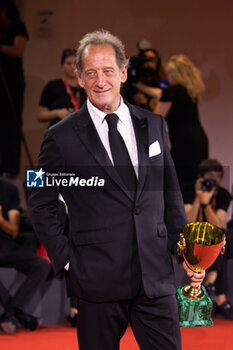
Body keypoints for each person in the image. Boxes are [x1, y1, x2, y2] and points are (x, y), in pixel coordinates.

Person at [28, 30, 205, 350]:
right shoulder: (60, 137)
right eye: (91, 73)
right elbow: (39, 199)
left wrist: (185, 251)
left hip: (156, 277)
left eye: (108, 71)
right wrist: (67, 260)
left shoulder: (153, 124)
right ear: (80, 78)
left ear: (123, 73)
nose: (100, 81)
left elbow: (170, 193)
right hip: (97, 281)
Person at [182, 159, 233, 320]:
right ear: (200, 177)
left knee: (220, 239)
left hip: (211, 239)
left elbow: (219, 226)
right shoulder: (188, 189)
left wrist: (207, 205)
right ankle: (221, 298)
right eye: (211, 176)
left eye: (219, 176)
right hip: (191, 237)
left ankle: (211, 282)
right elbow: (188, 222)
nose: (215, 180)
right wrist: (199, 199)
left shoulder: (223, 194)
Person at [0, 179, 51, 334]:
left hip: (6, 246)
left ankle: (10, 314)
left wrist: (0, 219)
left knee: (42, 265)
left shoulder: (8, 189)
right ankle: (15, 315)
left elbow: (14, 230)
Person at [155, 54, 209, 186]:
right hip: (199, 139)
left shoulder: (171, 92)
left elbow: (156, 117)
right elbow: (158, 93)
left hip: (183, 142)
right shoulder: (190, 91)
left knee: (179, 183)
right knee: (196, 182)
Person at [0, 0, 29, 176]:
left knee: (12, 125)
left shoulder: (18, 27)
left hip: (12, 83)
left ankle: (11, 169)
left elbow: (18, 50)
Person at [37, 48, 86, 127]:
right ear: (62, 66)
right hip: (58, 131)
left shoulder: (86, 87)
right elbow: (40, 115)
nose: (73, 67)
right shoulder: (52, 86)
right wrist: (57, 113)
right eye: (69, 63)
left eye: (75, 64)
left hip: (81, 133)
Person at [121, 42, 166, 111]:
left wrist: (146, 102)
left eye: (152, 59)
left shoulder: (161, 79)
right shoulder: (134, 76)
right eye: (145, 59)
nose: (148, 63)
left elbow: (161, 94)